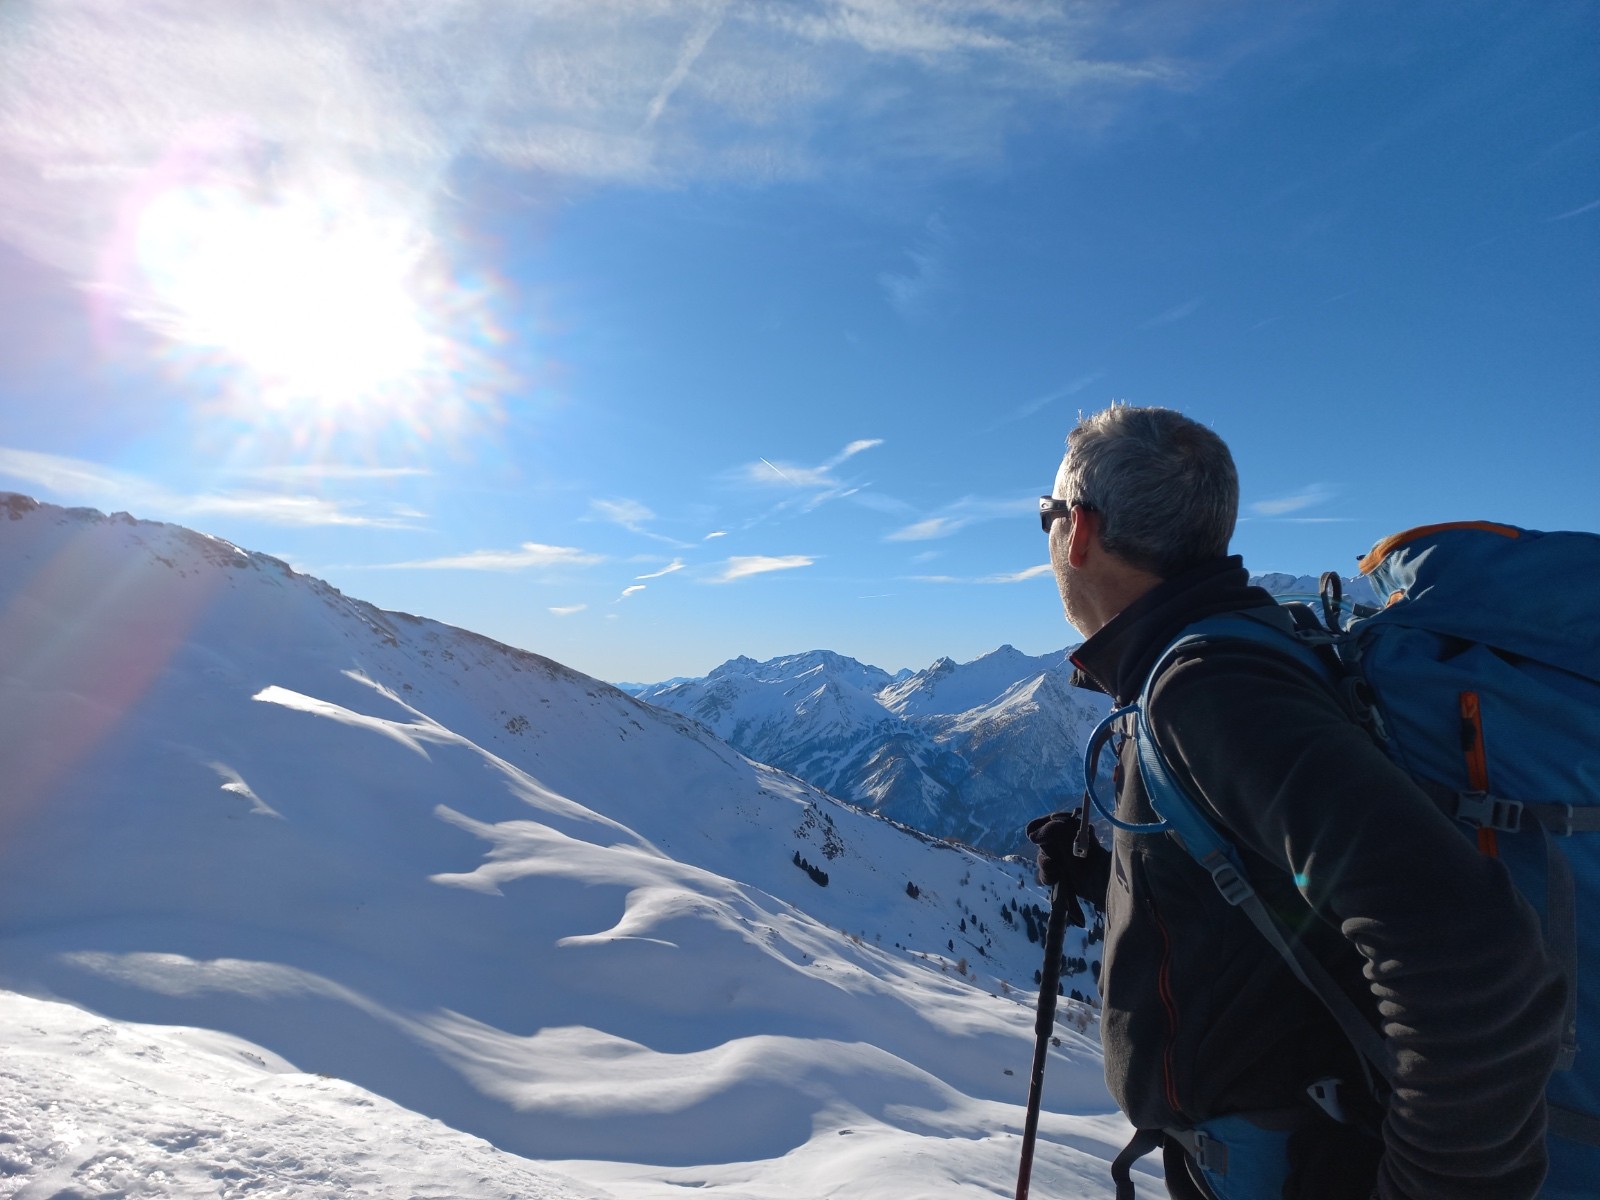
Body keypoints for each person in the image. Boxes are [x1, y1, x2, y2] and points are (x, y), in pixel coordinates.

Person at [1025, 404, 1565, 1200]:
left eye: (1046, 514)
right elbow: (1282, 890)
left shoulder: (1209, 689)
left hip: (1289, 1169)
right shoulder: (1240, 645)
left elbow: (1472, 946)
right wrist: (1125, 873)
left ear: (1081, 531)